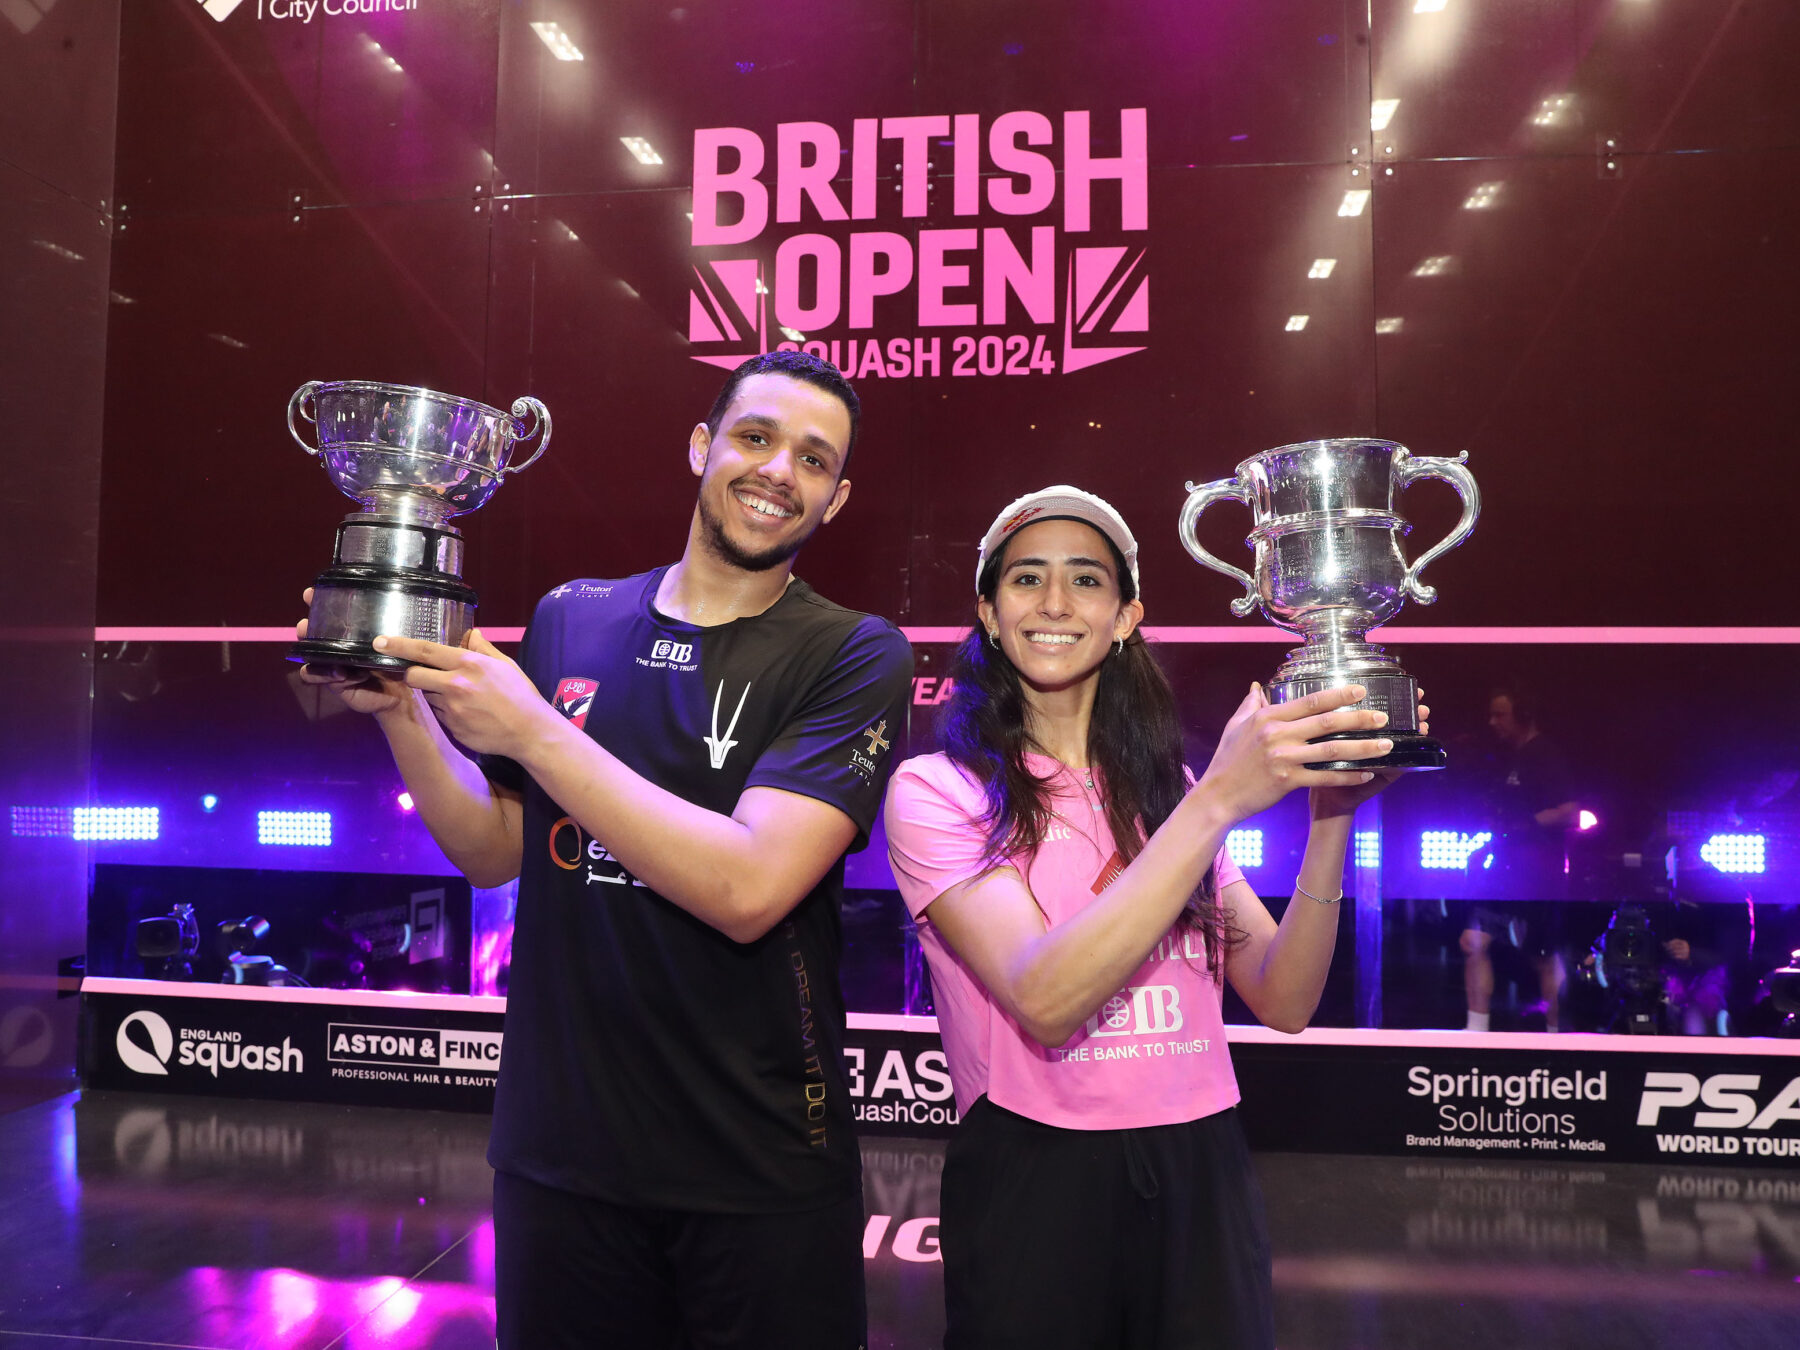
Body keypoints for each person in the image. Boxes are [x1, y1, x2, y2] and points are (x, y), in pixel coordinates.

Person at [298, 351, 912, 1349]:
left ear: (835, 500)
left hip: (757, 1171)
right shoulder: (572, 617)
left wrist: (536, 728)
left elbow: (751, 886)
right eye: (755, 439)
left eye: (812, 460)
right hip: (560, 1158)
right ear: (702, 447)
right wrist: (403, 710)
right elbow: (498, 849)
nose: (777, 473)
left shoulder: (854, 652)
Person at [882, 486, 1412, 1350]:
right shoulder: (939, 793)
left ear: (1126, 614)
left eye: (1087, 580)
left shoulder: (1173, 791)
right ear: (988, 610)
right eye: (1026, 579)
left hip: (1201, 1162)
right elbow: (1045, 997)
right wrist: (1217, 809)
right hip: (1034, 1174)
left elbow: (1286, 999)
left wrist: (1332, 817)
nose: (1055, 603)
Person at [1460, 684, 1579, 1032]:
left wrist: (1522, 827)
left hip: (1538, 873)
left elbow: (1570, 811)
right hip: (1504, 871)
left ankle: (1556, 1034)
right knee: (1473, 941)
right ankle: (1475, 1030)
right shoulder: (1509, 756)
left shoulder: (1546, 755)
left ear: (1524, 716)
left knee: (1542, 956)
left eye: (1501, 714)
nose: (1492, 722)